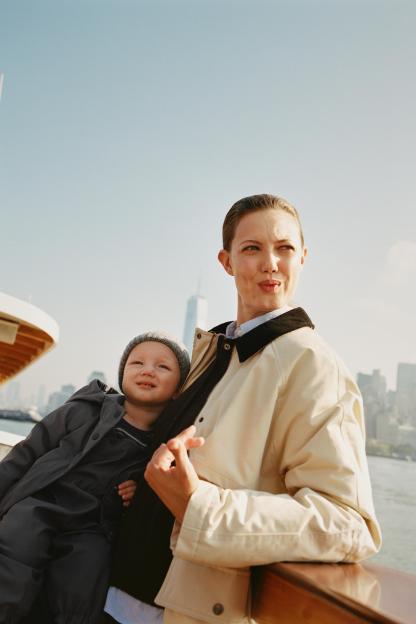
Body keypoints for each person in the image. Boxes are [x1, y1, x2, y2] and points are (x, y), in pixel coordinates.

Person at [105, 194, 381, 624]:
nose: (270, 263)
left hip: (179, 611)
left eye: (284, 248)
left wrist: (198, 505)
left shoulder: (313, 365)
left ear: (303, 258)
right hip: (113, 592)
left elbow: (346, 523)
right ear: (227, 261)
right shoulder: (214, 352)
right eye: (252, 248)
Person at [0, 332, 190, 624]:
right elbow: (26, 453)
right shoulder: (84, 410)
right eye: (137, 363)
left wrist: (139, 490)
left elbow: (157, 496)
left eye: (162, 366)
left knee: (86, 580)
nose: (148, 370)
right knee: (17, 551)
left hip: (93, 526)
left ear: (179, 389)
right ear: (122, 374)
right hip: (43, 502)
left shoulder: (161, 447)